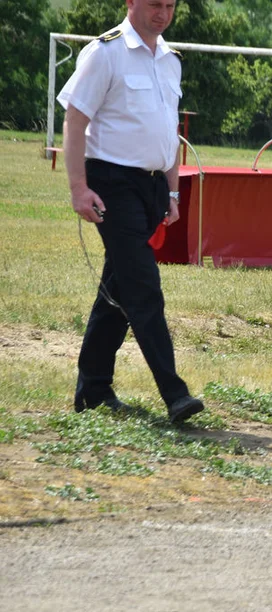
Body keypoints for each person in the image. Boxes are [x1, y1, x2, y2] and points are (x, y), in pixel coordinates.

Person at [58, 0, 204, 424]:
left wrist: (173, 194)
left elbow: (169, 129)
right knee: (142, 285)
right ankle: (175, 394)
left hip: (153, 186)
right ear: (131, 2)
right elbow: (74, 119)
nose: (163, 13)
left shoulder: (170, 59)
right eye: (155, 4)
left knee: (119, 289)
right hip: (112, 183)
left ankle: (93, 389)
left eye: (170, 5)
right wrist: (78, 188)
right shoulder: (105, 52)